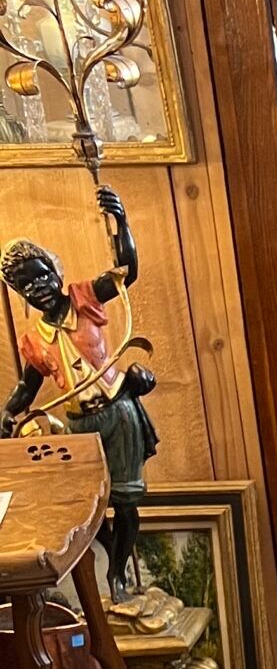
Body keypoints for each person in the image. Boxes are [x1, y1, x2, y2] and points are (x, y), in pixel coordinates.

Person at [2, 187, 156, 589]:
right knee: (86, 506)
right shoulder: (33, 339)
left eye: (42, 277)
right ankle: (107, 559)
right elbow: (27, 387)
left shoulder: (86, 297)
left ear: (55, 271)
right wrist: (8, 411)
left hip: (117, 411)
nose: (38, 289)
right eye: (26, 287)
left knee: (125, 500)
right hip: (78, 428)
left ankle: (118, 572)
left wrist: (120, 221)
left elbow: (127, 271)